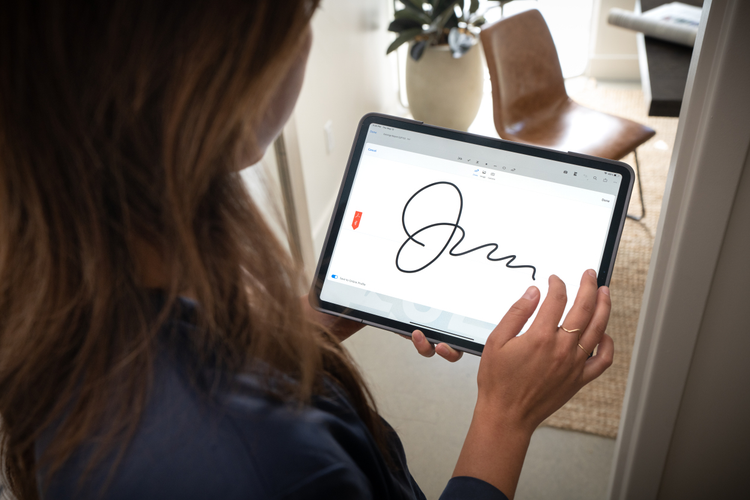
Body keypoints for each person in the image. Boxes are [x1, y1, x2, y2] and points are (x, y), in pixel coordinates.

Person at [0, 1, 614, 499]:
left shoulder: (61, 280)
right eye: (303, 17)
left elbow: (203, 347)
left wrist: (338, 309)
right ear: (223, 72)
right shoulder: (266, 466)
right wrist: (505, 415)